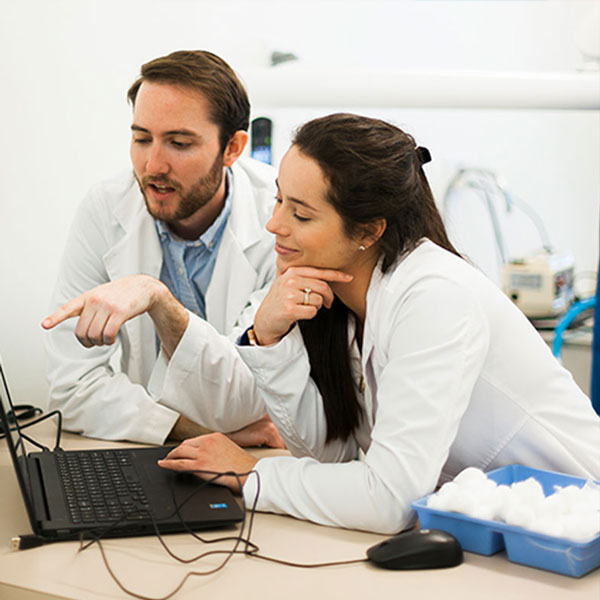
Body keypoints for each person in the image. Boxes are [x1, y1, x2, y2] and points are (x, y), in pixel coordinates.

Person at [43, 113, 600, 535]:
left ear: (368, 229)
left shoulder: (434, 296)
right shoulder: (343, 293)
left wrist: (249, 474)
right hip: (487, 527)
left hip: (568, 522)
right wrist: (270, 337)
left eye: (300, 214)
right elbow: (329, 452)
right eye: (280, 200)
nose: (273, 223)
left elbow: (388, 498)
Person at [45, 50, 283, 448]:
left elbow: (251, 396)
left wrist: (157, 299)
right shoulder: (106, 209)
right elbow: (71, 389)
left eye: (179, 143)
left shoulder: (282, 220)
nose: (153, 165)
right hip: (149, 450)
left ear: (233, 149)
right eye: (141, 139)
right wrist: (198, 434)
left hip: (262, 460)